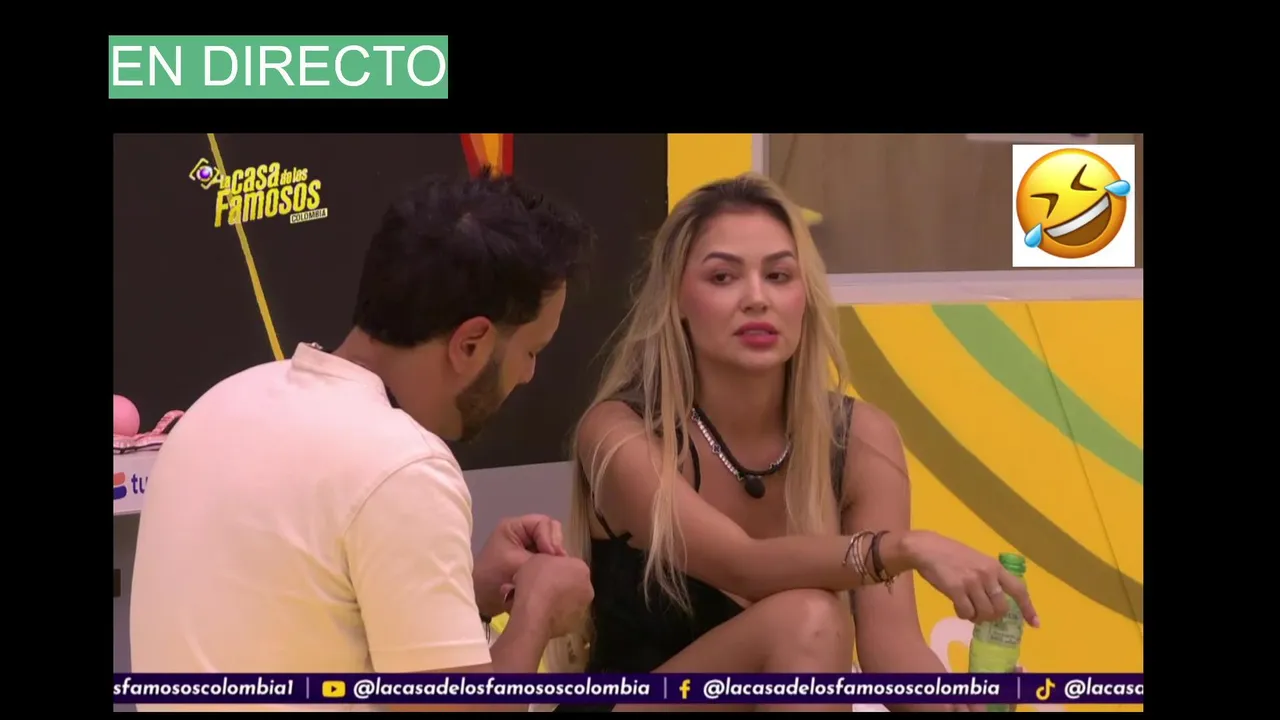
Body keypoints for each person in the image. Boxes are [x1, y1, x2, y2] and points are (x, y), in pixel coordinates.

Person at [547, 174, 1038, 713]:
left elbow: (892, 651)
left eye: (779, 275)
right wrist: (905, 548)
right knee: (809, 619)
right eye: (723, 277)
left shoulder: (859, 438)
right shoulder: (620, 432)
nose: (756, 299)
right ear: (677, 299)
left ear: (805, 296)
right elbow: (744, 565)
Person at [130, 169, 597, 712]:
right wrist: (537, 611)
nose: (529, 375)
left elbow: (299, 627)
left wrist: (465, 594)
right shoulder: (402, 466)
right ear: (471, 343)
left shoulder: (220, 403)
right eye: (531, 351)